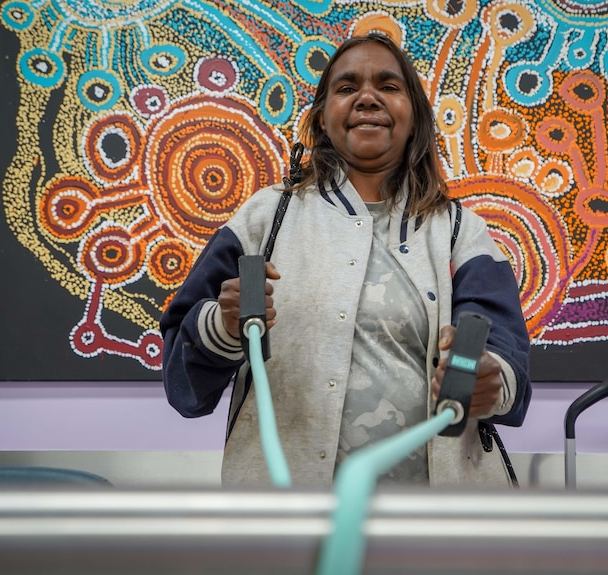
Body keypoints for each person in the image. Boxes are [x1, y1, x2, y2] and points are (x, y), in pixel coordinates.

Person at [160, 33, 531, 488]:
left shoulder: (460, 231)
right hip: (289, 526)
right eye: (347, 87)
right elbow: (184, 386)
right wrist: (224, 326)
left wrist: (490, 381)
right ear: (321, 118)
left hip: (435, 535)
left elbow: (503, 354)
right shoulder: (264, 219)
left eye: (389, 87)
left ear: (415, 118)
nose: (368, 98)